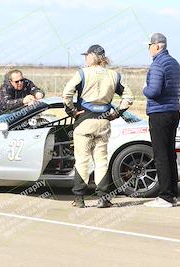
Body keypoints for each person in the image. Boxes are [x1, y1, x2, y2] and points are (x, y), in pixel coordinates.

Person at [62, 44, 134, 208]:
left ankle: (79, 199)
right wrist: (117, 113)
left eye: (86, 56)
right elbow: (128, 96)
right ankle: (103, 198)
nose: (85, 59)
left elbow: (67, 93)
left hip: (84, 122)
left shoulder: (82, 73)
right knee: (101, 161)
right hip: (104, 122)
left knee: (82, 160)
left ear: (92, 56)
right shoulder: (114, 75)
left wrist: (71, 111)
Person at [143, 33, 180, 208]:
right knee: (169, 153)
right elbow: (179, 91)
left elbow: (153, 91)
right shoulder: (174, 63)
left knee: (160, 155)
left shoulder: (158, 64)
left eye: (149, 45)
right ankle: (173, 193)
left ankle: (165, 197)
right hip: (174, 111)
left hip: (159, 113)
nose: (149, 48)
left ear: (158, 46)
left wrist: (144, 89)